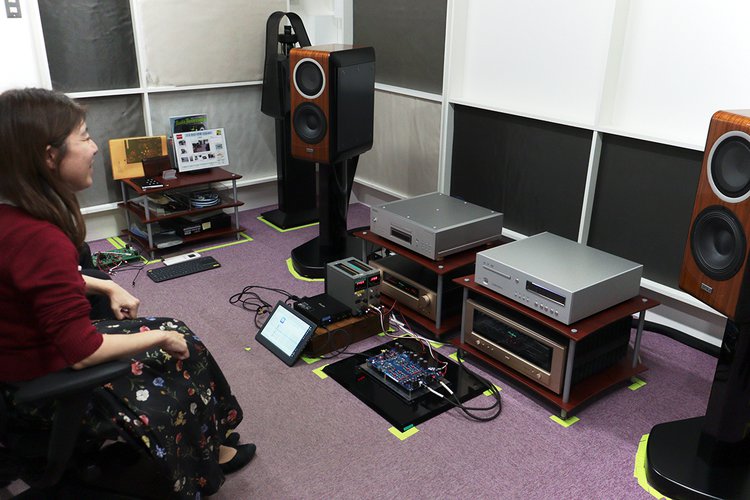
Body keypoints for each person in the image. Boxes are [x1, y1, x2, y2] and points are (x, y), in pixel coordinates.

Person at [0, 88, 253, 498]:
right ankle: (203, 465)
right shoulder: (39, 237)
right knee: (175, 347)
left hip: (25, 361)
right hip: (40, 387)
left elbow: (40, 282)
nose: (95, 147)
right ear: (49, 156)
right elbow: (82, 352)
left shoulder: (12, 217)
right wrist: (160, 338)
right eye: (84, 137)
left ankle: (213, 440)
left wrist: (105, 283)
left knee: (177, 330)